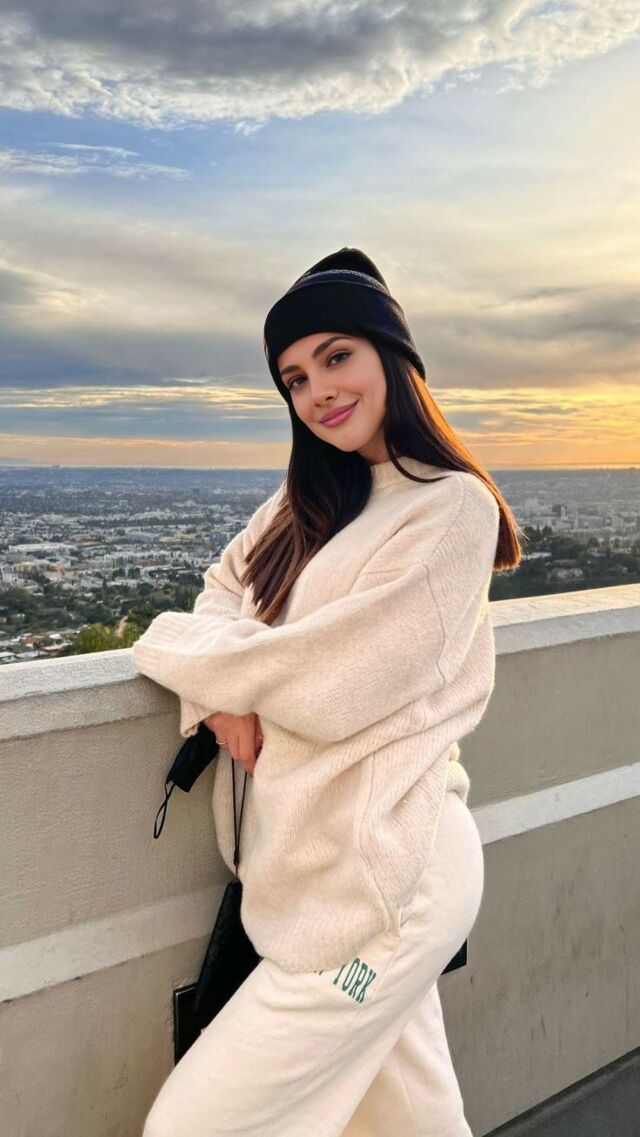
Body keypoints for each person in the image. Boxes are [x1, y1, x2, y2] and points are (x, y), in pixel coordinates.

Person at [132, 247, 523, 1136]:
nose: (317, 391)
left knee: (190, 1125)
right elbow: (219, 591)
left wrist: (190, 660)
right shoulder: (302, 503)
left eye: (336, 355)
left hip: (385, 890)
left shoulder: (450, 509)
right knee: (411, 1119)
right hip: (314, 874)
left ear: (393, 354)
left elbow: (325, 683)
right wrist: (219, 695)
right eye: (295, 378)